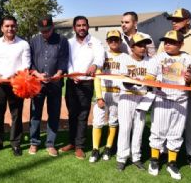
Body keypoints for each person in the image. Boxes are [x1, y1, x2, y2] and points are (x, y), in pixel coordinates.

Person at [157, 8, 191, 169]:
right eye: (172, 19)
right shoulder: (167, 37)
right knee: (167, 122)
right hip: (171, 88)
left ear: (188, 20)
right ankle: (165, 152)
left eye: (178, 19)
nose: (173, 22)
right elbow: (159, 61)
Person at [147, 30, 191, 180]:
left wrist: (190, 80)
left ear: (181, 44)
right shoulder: (158, 58)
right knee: (157, 130)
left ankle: (172, 162)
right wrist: (154, 83)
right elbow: (149, 77)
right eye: (165, 41)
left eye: (171, 42)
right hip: (163, 98)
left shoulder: (189, 59)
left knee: (176, 132)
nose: (167, 44)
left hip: (181, 99)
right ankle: (154, 160)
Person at [60, 16, 105, 159]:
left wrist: (95, 65)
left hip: (86, 83)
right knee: (72, 114)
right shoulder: (69, 43)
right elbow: (66, 60)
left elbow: (100, 57)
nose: (81, 28)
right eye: (78, 25)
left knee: (83, 115)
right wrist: (71, 73)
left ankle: (80, 146)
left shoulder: (95, 42)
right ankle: (71, 143)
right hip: (72, 83)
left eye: (84, 25)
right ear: (74, 28)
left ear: (88, 26)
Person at [0, 15, 31, 156]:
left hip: (16, 84)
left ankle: (16, 144)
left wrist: (16, 76)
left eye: (12, 26)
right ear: (2, 28)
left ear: (16, 27)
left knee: (16, 114)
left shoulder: (23, 44)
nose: (10, 28)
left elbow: (26, 66)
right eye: (7, 26)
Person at [28, 15, 68, 157]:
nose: (45, 33)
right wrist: (37, 74)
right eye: (42, 31)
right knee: (35, 114)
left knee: (54, 114)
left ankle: (50, 144)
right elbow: (30, 62)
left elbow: (64, 60)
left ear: (52, 27)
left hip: (55, 84)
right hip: (37, 84)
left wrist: (58, 73)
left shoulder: (62, 40)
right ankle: (34, 142)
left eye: (48, 30)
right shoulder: (33, 41)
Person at [89, 30, 128, 163]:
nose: (113, 42)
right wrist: (99, 97)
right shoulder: (103, 55)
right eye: (111, 39)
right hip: (104, 92)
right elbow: (97, 78)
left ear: (120, 41)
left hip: (118, 93)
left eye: (116, 39)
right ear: (107, 41)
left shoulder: (125, 57)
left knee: (113, 121)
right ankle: (95, 149)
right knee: (98, 122)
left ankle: (108, 147)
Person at [115, 33, 152, 171]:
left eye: (145, 45)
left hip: (142, 98)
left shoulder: (150, 61)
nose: (143, 48)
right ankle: (122, 158)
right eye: (139, 45)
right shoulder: (124, 60)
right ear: (132, 47)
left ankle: (136, 157)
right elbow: (118, 81)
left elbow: (155, 80)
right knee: (125, 129)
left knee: (139, 128)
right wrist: (128, 82)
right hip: (127, 97)